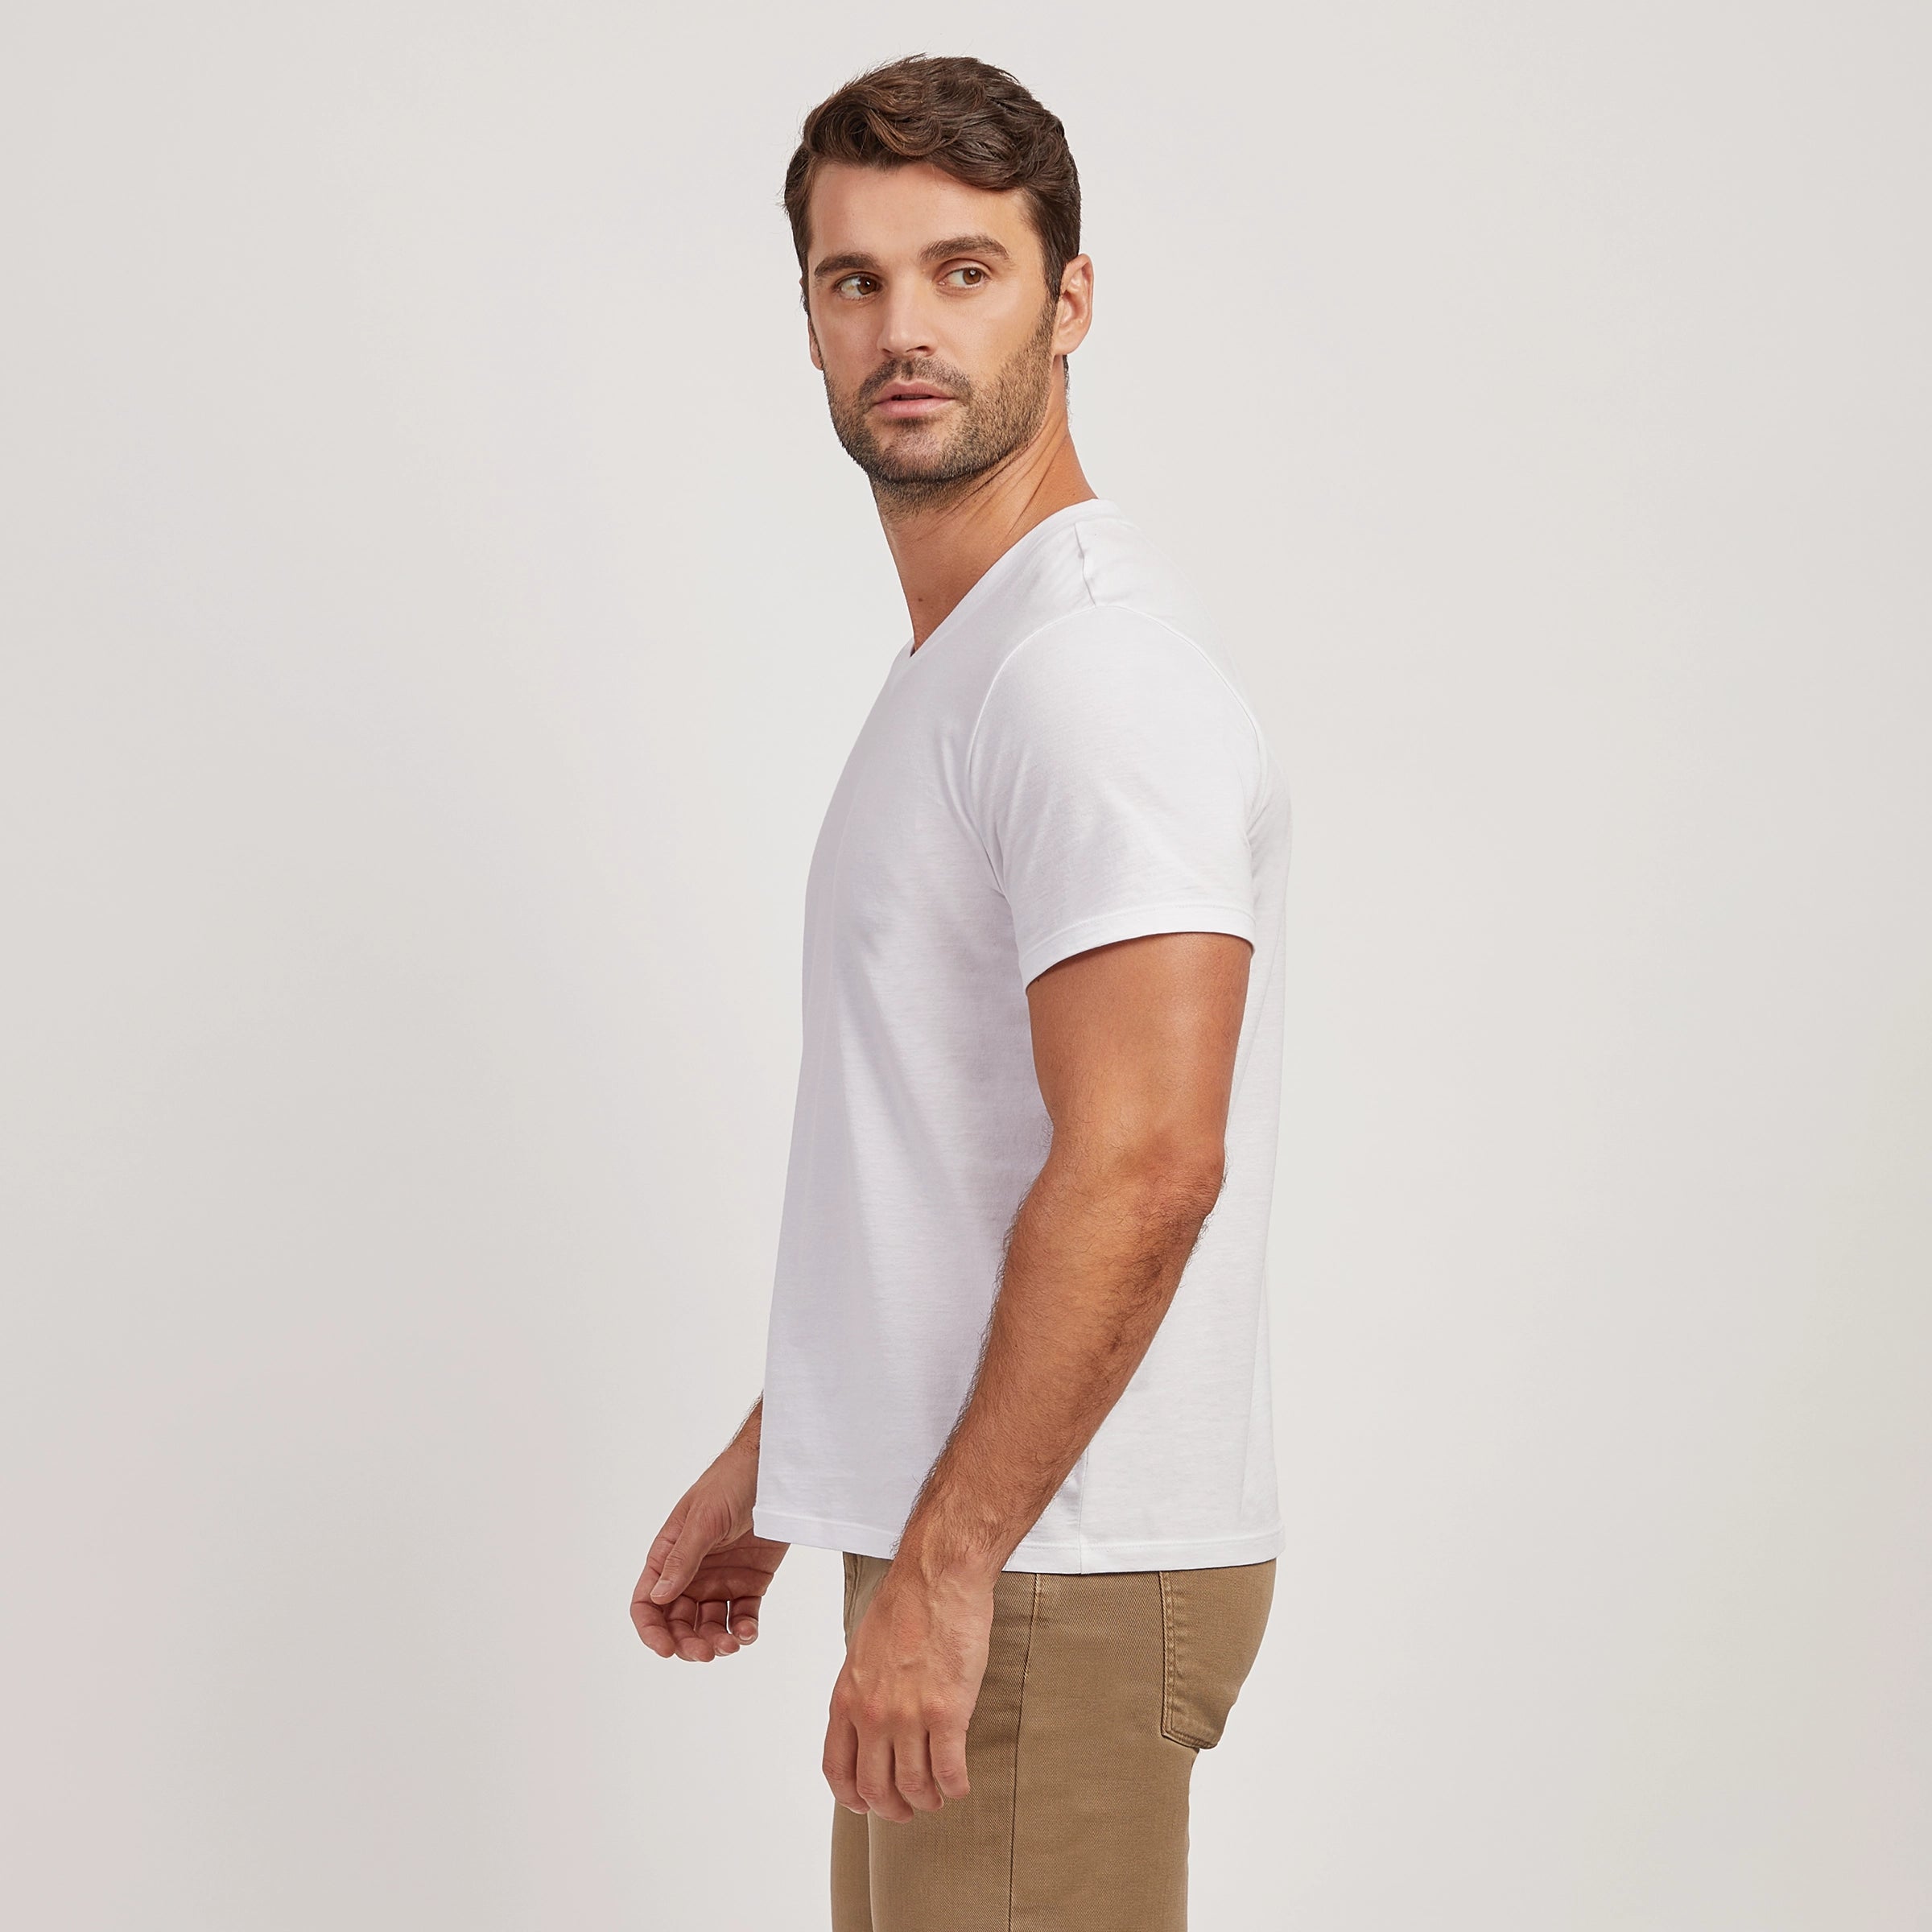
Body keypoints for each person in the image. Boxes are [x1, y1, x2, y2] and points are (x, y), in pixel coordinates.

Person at [630, 54, 1291, 1931]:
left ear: (1069, 301)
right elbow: (946, 1157)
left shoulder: (1089, 676)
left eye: (965, 270)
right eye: (855, 280)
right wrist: (787, 1460)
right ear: (810, 322)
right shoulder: (969, 664)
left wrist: (945, 1568)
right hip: (981, 1537)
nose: (903, 328)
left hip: (1046, 1562)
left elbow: (1148, 1164)